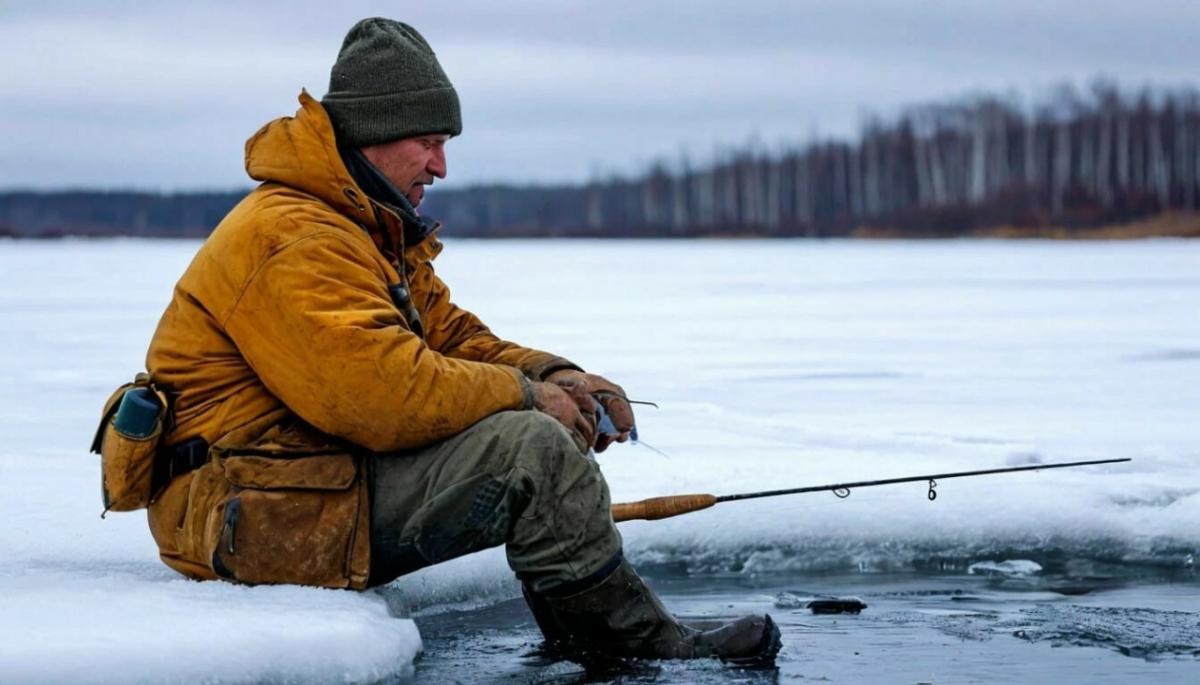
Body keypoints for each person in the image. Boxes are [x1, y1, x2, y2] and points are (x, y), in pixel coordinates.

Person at [142, 17, 780, 664]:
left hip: (288, 488)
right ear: (372, 134)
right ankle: (633, 648)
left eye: (443, 142)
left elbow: (450, 337)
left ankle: (590, 638)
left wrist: (556, 376)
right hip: (241, 514)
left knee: (540, 434)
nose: (441, 164)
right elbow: (379, 394)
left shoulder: (363, 225)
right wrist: (528, 399)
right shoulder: (297, 238)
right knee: (532, 450)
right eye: (427, 142)